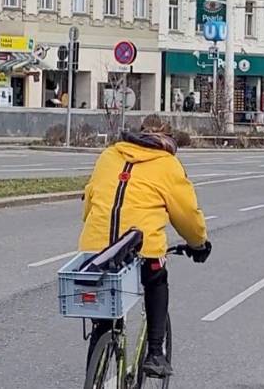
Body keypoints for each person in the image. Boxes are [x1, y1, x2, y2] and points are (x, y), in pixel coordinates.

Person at [77, 115, 210, 377]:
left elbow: (90, 199)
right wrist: (198, 243)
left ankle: (96, 366)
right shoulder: (167, 164)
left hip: (97, 250)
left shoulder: (109, 155)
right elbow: (186, 213)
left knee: (104, 316)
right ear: (167, 139)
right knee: (156, 279)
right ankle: (156, 353)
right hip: (142, 247)